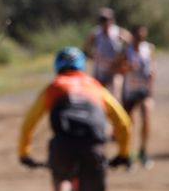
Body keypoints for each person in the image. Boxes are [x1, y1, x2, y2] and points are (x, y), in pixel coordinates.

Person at [18, 47, 133, 191]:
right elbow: (123, 122)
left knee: (62, 179)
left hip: (63, 145)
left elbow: (29, 123)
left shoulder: (54, 87)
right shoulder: (95, 87)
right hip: (93, 146)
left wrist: (24, 153)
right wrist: (123, 153)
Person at [118, 25, 155, 168]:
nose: (141, 39)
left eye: (143, 36)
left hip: (144, 90)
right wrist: (125, 68)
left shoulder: (149, 49)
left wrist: (151, 83)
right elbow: (116, 68)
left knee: (146, 119)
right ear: (133, 36)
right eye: (139, 36)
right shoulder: (126, 51)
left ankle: (143, 151)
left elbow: (152, 67)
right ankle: (128, 153)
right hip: (129, 91)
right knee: (128, 124)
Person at [84, 7, 132, 96]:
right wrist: (91, 56)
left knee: (115, 93)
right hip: (100, 69)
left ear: (112, 20)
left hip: (115, 69)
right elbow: (86, 47)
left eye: (107, 19)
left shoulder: (118, 32)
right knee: (97, 94)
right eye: (102, 19)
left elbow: (133, 44)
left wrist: (125, 57)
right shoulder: (96, 33)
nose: (105, 22)